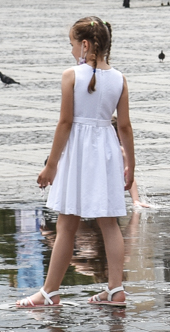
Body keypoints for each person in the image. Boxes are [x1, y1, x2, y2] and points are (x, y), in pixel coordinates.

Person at [18, 17, 136, 308]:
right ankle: (115, 288)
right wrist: (130, 164)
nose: (71, 50)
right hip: (106, 149)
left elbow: (65, 122)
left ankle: (50, 291)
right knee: (109, 222)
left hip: (78, 152)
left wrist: (51, 165)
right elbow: (125, 127)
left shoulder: (71, 75)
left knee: (66, 224)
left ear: (84, 45)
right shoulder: (120, 79)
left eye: (72, 44)